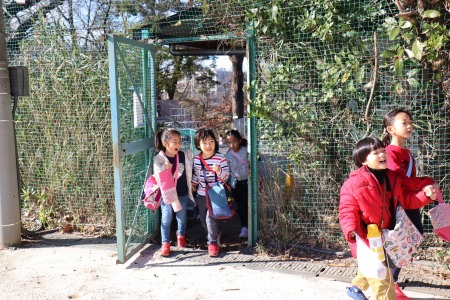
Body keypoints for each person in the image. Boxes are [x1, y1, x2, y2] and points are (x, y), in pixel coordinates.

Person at [339, 137, 437, 300]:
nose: (382, 155)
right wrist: (351, 231)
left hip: (387, 234)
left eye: (383, 151)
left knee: (376, 267)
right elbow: (346, 211)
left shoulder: (393, 177)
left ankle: (355, 288)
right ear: (363, 160)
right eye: (375, 153)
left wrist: (425, 196)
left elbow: (406, 200)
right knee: (382, 278)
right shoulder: (353, 184)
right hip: (366, 236)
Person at [382, 107, 424, 299]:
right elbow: (400, 180)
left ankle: (390, 279)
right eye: (403, 122)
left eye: (410, 122)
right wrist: (425, 182)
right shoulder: (390, 152)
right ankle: (390, 282)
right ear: (390, 129)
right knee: (399, 240)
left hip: (409, 202)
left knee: (412, 235)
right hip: (398, 204)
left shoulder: (406, 152)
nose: (409, 126)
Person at [154, 128, 194, 257]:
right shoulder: (159, 158)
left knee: (182, 217)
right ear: (165, 144)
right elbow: (157, 178)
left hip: (181, 192)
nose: (179, 144)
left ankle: (181, 236)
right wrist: (164, 169)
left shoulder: (184, 155)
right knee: (166, 218)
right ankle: (165, 243)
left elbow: (190, 170)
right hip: (167, 195)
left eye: (179, 141)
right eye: (175, 142)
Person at [191, 128, 230, 257]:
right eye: (205, 142)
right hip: (201, 194)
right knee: (202, 218)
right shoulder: (196, 159)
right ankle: (215, 234)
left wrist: (219, 171)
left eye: (211, 141)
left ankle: (212, 243)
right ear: (198, 145)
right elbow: (196, 174)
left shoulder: (220, 158)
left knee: (210, 218)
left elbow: (226, 177)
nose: (209, 145)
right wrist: (194, 184)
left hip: (216, 193)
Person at [225, 129, 249, 239]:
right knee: (240, 206)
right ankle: (244, 227)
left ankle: (249, 226)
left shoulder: (246, 151)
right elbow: (228, 170)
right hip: (236, 184)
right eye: (228, 142)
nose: (231, 144)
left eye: (234, 141)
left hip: (248, 182)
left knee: (247, 204)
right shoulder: (228, 154)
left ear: (239, 141)